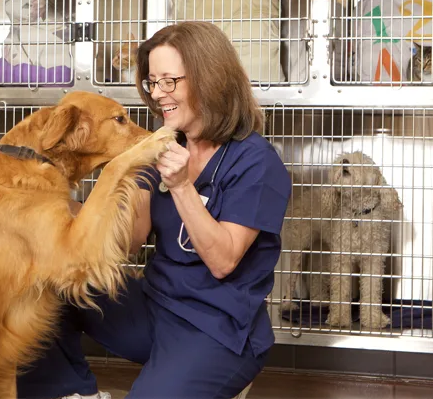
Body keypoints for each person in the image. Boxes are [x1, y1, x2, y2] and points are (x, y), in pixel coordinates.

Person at [16, 21, 292, 399]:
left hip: (218, 329)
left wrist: (180, 186)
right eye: (152, 82)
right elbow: (130, 238)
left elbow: (224, 259)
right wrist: (54, 206)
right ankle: (71, 393)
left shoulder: (257, 163)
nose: (158, 94)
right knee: (40, 289)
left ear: (209, 79)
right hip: (154, 307)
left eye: (169, 81)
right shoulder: (163, 146)